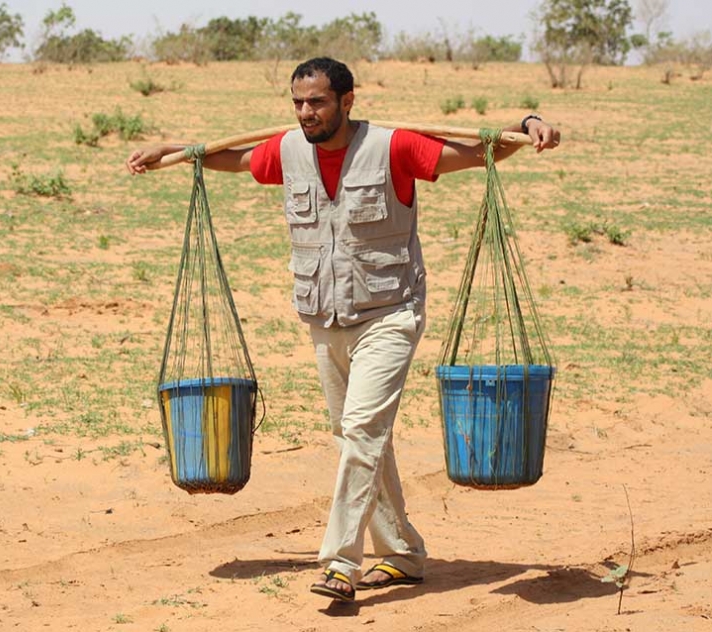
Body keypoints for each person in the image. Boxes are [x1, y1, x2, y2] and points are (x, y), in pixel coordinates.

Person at [126, 57, 560, 603]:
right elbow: (231, 159)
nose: (307, 112)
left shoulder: (394, 147)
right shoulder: (287, 151)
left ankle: (339, 562)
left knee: (359, 430)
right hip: (324, 318)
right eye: (299, 103)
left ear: (347, 101)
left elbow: (480, 152)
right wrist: (174, 150)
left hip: (390, 315)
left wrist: (529, 123)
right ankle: (402, 552)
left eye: (318, 102)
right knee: (359, 438)